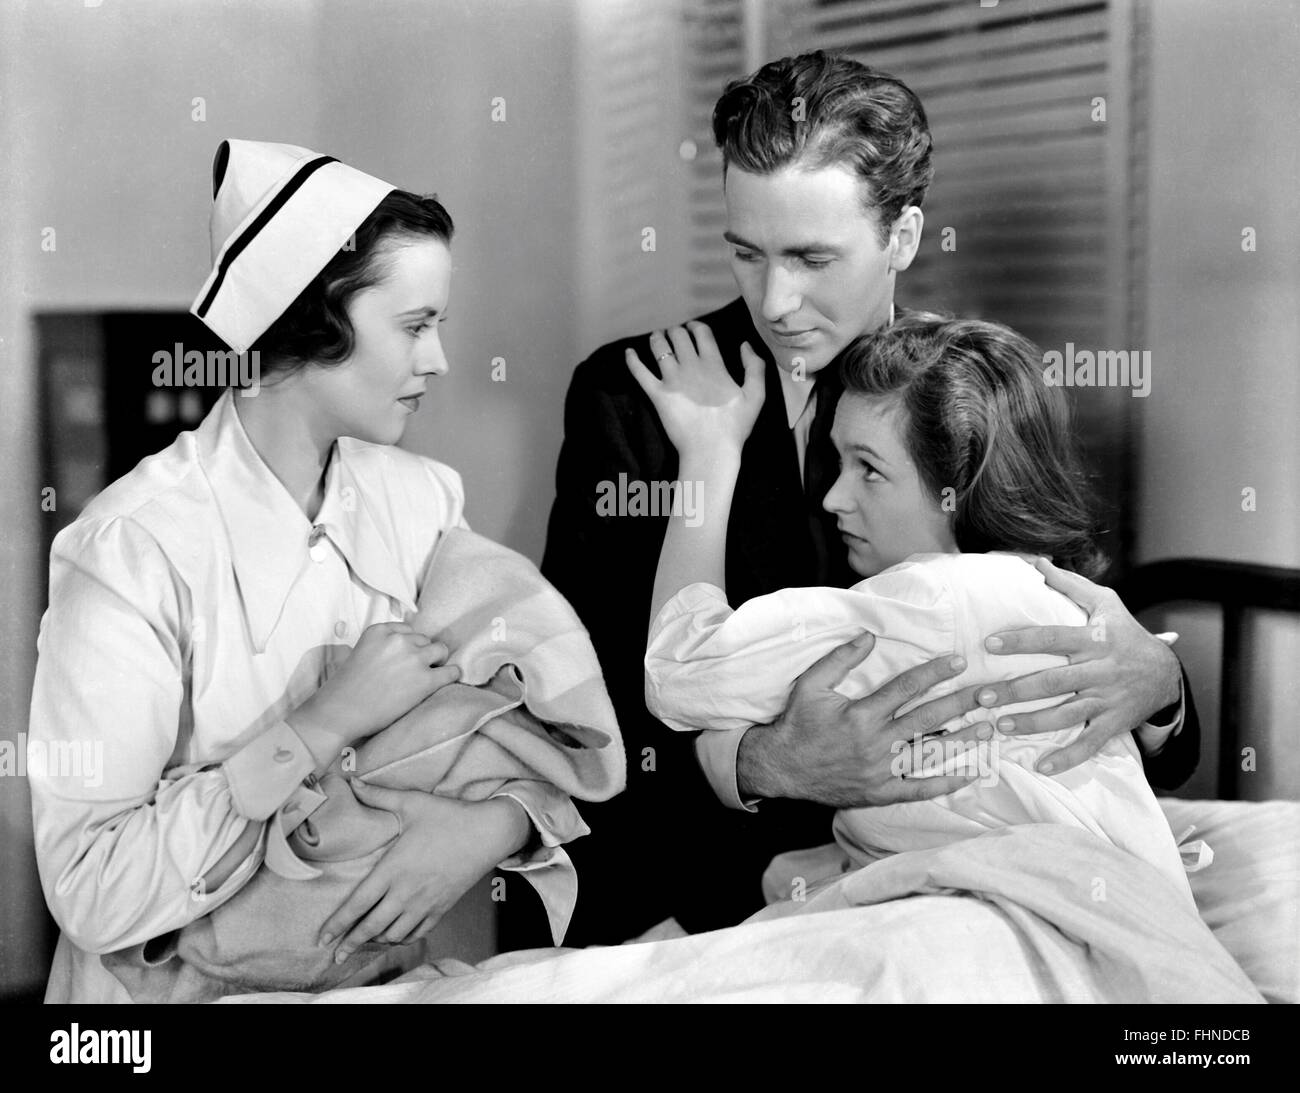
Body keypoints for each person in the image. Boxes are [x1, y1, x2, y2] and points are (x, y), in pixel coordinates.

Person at [514, 51, 1200, 947]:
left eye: (811, 258)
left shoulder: (968, 394)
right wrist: (766, 767)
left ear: (904, 238)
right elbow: (580, 715)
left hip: (939, 891)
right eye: (748, 253)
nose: (776, 301)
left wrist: (1161, 687)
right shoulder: (629, 396)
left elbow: (1063, 681)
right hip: (686, 888)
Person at [28, 140, 569, 1002]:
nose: (440, 361)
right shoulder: (131, 550)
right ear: (315, 319)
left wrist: (489, 828)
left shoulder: (425, 501)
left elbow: (530, 721)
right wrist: (324, 724)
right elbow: (93, 885)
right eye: (416, 325)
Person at [637, 313, 1194, 902]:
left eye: (869, 470)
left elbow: (677, 666)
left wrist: (709, 456)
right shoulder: (1042, 587)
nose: (833, 497)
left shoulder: (929, 597)